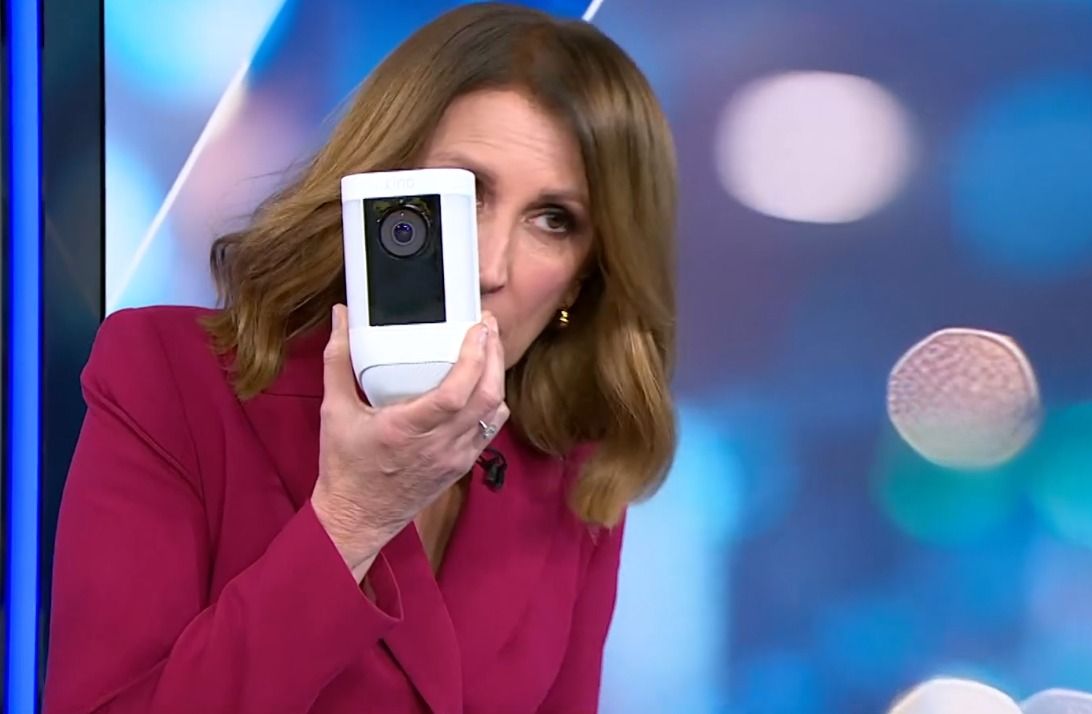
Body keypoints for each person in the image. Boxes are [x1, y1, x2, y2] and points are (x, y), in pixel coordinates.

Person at [43, 3, 676, 713]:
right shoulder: (167, 378)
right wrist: (351, 519)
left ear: (585, 276)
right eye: (464, 195)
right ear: (376, 199)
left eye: (553, 220)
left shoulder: (577, 475)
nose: (490, 266)